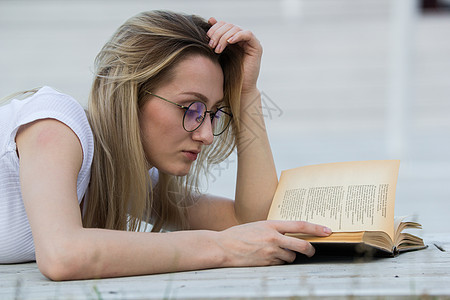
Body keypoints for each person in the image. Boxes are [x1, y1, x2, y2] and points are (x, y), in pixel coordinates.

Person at [0, 10, 331, 280]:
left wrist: (246, 93)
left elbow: (252, 221)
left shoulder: (126, 178)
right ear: (132, 97)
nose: (205, 134)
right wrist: (221, 248)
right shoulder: (56, 124)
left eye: (214, 114)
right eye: (192, 109)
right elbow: (63, 255)